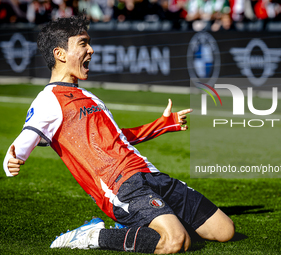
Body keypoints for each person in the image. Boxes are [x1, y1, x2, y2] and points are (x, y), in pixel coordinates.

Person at [3, 14, 235, 254]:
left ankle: (145, 219)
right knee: (175, 241)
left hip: (148, 173)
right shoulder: (48, 100)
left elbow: (116, 137)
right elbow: (21, 144)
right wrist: (12, 160)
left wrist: (162, 124)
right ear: (60, 54)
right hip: (119, 186)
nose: (91, 50)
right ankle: (94, 235)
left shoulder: (91, 97)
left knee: (225, 230)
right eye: (83, 44)